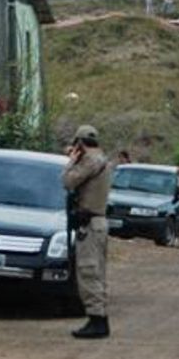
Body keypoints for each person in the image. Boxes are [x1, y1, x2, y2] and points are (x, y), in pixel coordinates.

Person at [62, 125, 113, 339]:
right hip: (96, 222)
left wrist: (71, 161)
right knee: (95, 271)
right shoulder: (101, 159)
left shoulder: (90, 161)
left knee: (88, 270)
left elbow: (68, 181)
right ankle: (97, 317)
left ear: (80, 143)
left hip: (90, 223)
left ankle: (97, 319)